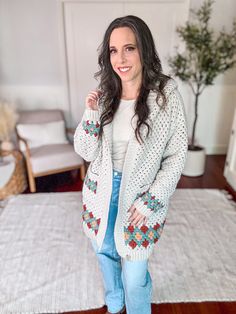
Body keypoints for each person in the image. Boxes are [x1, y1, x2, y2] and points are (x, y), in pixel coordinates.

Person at [74, 15, 188, 314]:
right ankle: (114, 304)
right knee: (105, 253)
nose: (120, 59)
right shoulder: (105, 94)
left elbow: (176, 156)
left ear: (144, 50)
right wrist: (90, 114)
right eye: (113, 50)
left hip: (140, 199)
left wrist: (152, 200)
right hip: (101, 193)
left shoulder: (166, 96)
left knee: (135, 276)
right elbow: (85, 151)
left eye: (129, 48)